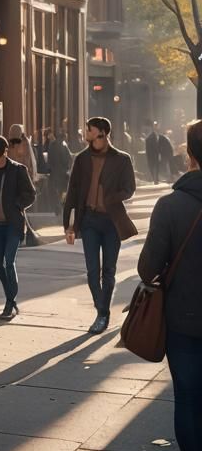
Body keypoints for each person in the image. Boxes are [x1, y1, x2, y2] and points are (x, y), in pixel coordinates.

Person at [137, 120, 202, 451]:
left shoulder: (172, 205)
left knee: (190, 402)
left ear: (189, 155)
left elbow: (147, 268)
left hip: (185, 321)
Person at [62, 116, 137, 334]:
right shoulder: (82, 159)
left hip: (111, 221)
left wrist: (111, 197)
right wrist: (69, 224)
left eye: (89, 129)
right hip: (90, 221)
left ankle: (102, 315)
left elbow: (129, 188)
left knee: (109, 271)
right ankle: (102, 311)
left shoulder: (122, 159)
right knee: (92, 272)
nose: (86, 132)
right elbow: (73, 192)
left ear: (101, 134)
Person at [0, 135, 36, 319]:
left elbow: (31, 194)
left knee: (9, 261)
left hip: (13, 225)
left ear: (2, 152)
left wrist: (17, 204)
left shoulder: (18, 170)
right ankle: (11, 293)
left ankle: (10, 301)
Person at [47, 129, 73, 216]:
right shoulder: (64, 145)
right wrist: (68, 168)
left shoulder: (52, 145)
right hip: (62, 172)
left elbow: (49, 158)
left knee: (56, 190)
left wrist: (50, 168)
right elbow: (69, 158)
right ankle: (60, 205)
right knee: (62, 190)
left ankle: (57, 205)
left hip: (55, 172)